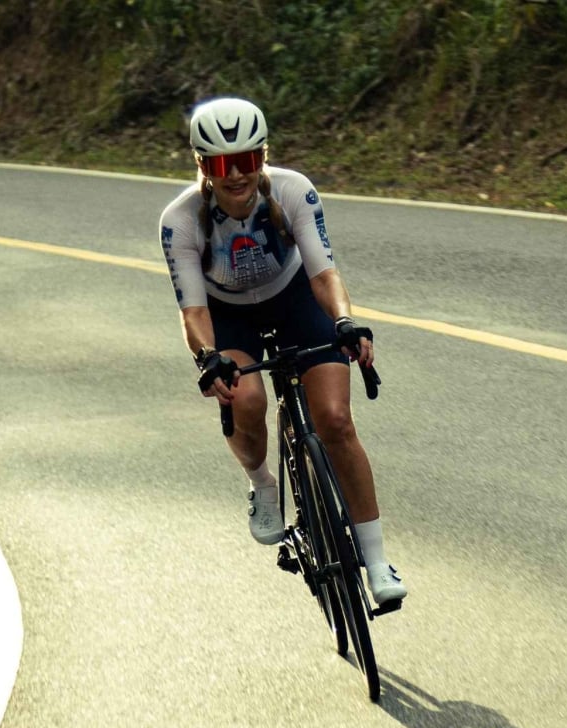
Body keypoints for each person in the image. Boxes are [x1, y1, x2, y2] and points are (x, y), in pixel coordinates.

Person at [158, 96, 407, 607]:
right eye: (222, 165)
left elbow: (323, 273)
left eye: (248, 161)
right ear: (202, 166)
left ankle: (377, 559)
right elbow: (193, 312)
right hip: (229, 317)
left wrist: (343, 321)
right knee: (246, 402)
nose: (236, 176)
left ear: (263, 157)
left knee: (335, 420)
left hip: (295, 299)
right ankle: (262, 484)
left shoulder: (294, 191)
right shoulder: (180, 219)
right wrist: (208, 357)